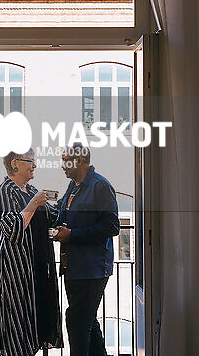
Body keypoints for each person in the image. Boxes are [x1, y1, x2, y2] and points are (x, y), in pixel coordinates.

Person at [0, 149, 63, 356]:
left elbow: (52, 217)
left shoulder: (31, 190)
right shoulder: (6, 191)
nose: (35, 166)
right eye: (30, 161)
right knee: (18, 315)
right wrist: (34, 203)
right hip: (16, 268)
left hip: (36, 266)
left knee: (36, 315)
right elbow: (13, 228)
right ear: (15, 164)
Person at [53, 143, 120, 356]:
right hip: (73, 267)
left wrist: (72, 234)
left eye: (65, 160)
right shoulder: (73, 186)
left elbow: (112, 226)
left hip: (92, 268)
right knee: (87, 320)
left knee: (77, 322)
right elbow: (62, 214)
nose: (62, 165)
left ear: (80, 160)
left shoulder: (100, 186)